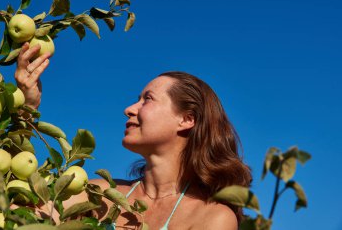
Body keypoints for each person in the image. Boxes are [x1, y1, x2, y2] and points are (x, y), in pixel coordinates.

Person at [16, 43, 252, 230]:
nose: (129, 108)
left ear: (187, 119)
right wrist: (26, 108)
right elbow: (19, 213)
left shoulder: (211, 217)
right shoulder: (95, 193)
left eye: (147, 99)